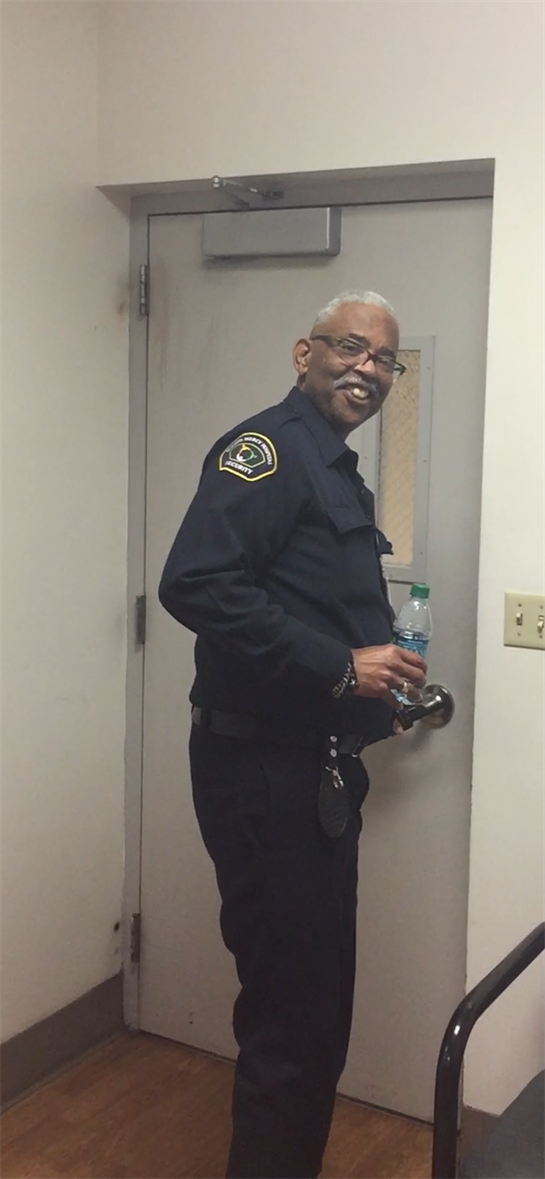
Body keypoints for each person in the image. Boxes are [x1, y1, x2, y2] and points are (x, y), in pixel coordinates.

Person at [159, 290, 427, 1179]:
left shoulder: (333, 466)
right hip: (259, 774)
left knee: (315, 1016)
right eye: (349, 348)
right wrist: (338, 667)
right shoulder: (266, 451)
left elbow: (305, 604)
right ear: (302, 352)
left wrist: (370, 685)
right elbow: (195, 583)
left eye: (384, 359)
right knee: (290, 1022)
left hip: (313, 772)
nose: (367, 369)